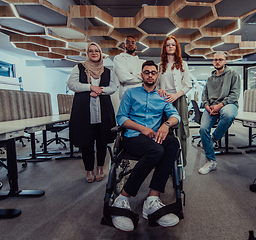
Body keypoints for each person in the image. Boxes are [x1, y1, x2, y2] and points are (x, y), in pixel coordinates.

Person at [112, 60, 181, 231]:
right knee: (157, 150)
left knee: (173, 142)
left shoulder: (162, 96)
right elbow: (121, 118)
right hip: (133, 137)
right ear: (141, 75)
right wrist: (142, 128)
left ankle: (152, 199)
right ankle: (122, 197)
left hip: (154, 137)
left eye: (153, 72)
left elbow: (175, 116)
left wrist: (165, 125)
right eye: (146, 72)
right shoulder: (130, 93)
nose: (150, 75)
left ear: (157, 76)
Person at [68, 42, 117, 183]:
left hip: (103, 112)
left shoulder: (108, 71)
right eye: (91, 51)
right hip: (84, 112)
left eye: (97, 51)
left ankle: (100, 167)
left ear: (101, 53)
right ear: (87, 53)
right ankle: (89, 169)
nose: (94, 53)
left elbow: (113, 87)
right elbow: (72, 84)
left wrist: (99, 90)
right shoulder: (79, 68)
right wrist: (90, 87)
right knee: (86, 142)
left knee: (102, 142)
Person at [198, 51, 241, 175]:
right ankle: (211, 161)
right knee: (203, 129)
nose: (217, 61)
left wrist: (220, 105)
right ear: (213, 62)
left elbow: (235, 94)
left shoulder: (233, 74)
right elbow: (204, 95)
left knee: (228, 115)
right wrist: (207, 106)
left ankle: (215, 138)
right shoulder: (210, 79)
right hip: (211, 107)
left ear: (225, 61)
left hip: (227, 104)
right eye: (215, 59)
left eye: (220, 59)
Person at [157, 36, 192, 164]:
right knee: (164, 129)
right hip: (163, 101)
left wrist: (176, 95)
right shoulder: (160, 66)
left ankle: (182, 163)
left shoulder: (183, 65)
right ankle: (166, 162)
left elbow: (188, 85)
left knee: (181, 129)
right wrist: (159, 90)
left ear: (176, 47)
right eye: (168, 45)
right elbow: (155, 85)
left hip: (179, 99)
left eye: (173, 44)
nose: (170, 47)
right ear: (164, 48)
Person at [112, 35, 145, 113]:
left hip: (141, 96)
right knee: (126, 121)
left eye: (132, 42)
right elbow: (123, 78)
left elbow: (146, 77)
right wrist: (140, 77)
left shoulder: (141, 62)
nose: (130, 44)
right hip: (125, 96)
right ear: (124, 45)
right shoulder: (119, 58)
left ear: (136, 46)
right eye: (128, 42)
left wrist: (131, 75)